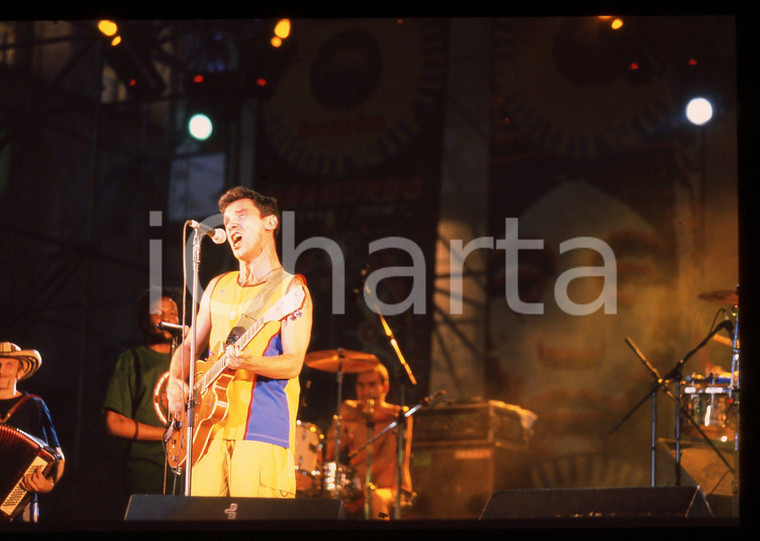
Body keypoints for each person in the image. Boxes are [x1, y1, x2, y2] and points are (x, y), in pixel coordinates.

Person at [167, 186, 312, 498]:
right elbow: (190, 347)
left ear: (270, 223)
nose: (230, 225)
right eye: (227, 220)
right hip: (206, 432)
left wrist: (250, 362)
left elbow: (293, 363)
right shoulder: (218, 285)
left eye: (241, 217)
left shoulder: (290, 290)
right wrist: (175, 381)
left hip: (261, 431)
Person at [102, 287, 183, 500]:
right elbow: (115, 423)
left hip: (191, 471)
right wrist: (168, 435)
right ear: (144, 319)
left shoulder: (192, 361)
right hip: (146, 472)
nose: (166, 318)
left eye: (172, 313)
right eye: (158, 312)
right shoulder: (131, 360)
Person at [325, 363, 413, 520]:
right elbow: (329, 453)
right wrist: (336, 436)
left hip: (391, 489)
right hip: (354, 489)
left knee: (375, 498)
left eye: (372, 384)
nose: (366, 391)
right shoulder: (349, 410)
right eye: (361, 385)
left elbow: (387, 459)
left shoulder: (399, 415)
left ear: (385, 387)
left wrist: (351, 475)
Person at [0, 341, 65, 523]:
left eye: (9, 364)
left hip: (19, 503)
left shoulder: (33, 405)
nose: (2, 370)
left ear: (20, 372)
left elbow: (57, 455)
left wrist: (49, 484)